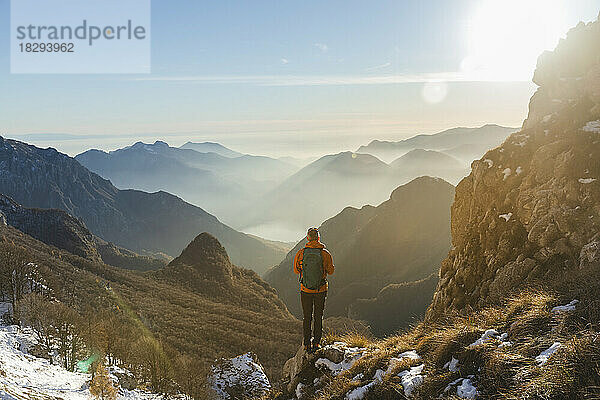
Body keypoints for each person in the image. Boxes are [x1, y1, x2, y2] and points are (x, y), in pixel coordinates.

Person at [293, 227, 334, 353]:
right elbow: (331, 271)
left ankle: (306, 344)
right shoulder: (325, 254)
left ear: (307, 238)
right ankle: (316, 343)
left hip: (305, 290)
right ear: (318, 238)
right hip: (320, 290)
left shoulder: (301, 253)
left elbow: (296, 270)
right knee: (318, 316)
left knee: (307, 317)